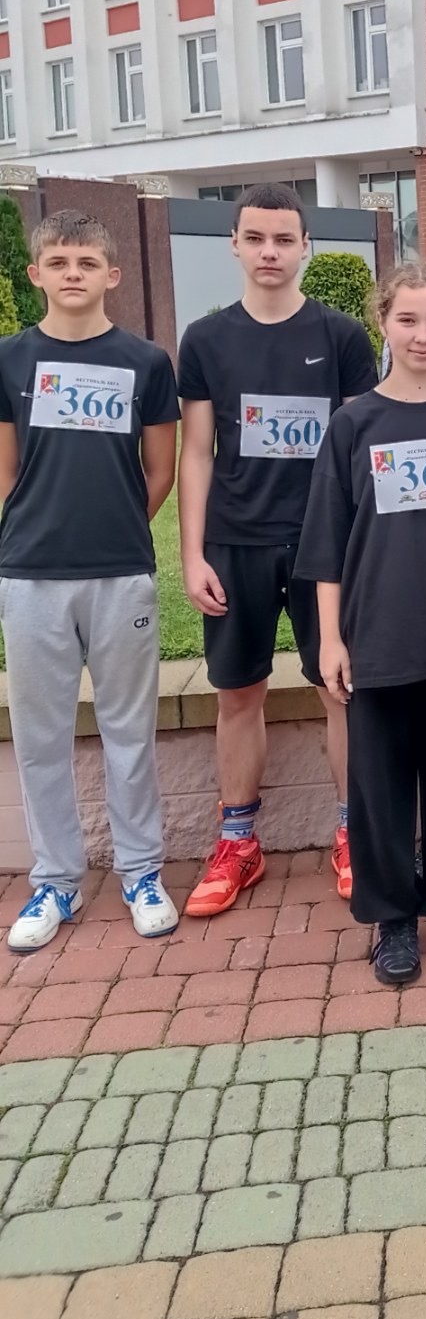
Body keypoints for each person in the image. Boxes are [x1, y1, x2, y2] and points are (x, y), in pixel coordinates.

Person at [295, 262, 426, 986]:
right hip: (376, 632)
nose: (422, 334)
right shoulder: (353, 424)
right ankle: (391, 919)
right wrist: (331, 638)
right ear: (383, 322)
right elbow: (327, 544)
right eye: (408, 320)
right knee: (379, 785)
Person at [177, 183, 378, 915]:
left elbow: (359, 454)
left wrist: (360, 549)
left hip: (326, 548)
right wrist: (192, 554)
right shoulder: (205, 340)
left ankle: (355, 831)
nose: (270, 252)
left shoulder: (343, 337)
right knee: (238, 694)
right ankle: (238, 842)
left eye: (284, 239)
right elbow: (196, 453)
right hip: (236, 543)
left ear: (305, 248)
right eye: (256, 238)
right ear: (234, 244)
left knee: (341, 689)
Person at [0, 211, 180, 950]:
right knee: (39, 735)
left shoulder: (146, 362)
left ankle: (141, 872)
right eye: (58, 261)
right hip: (31, 574)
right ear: (36, 273)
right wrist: (36, 530)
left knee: (128, 731)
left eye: (86, 262)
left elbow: (161, 471)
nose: (72, 273)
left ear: (112, 274)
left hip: (120, 573)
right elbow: (6, 472)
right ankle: (56, 881)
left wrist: (114, 528)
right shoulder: (9, 359)